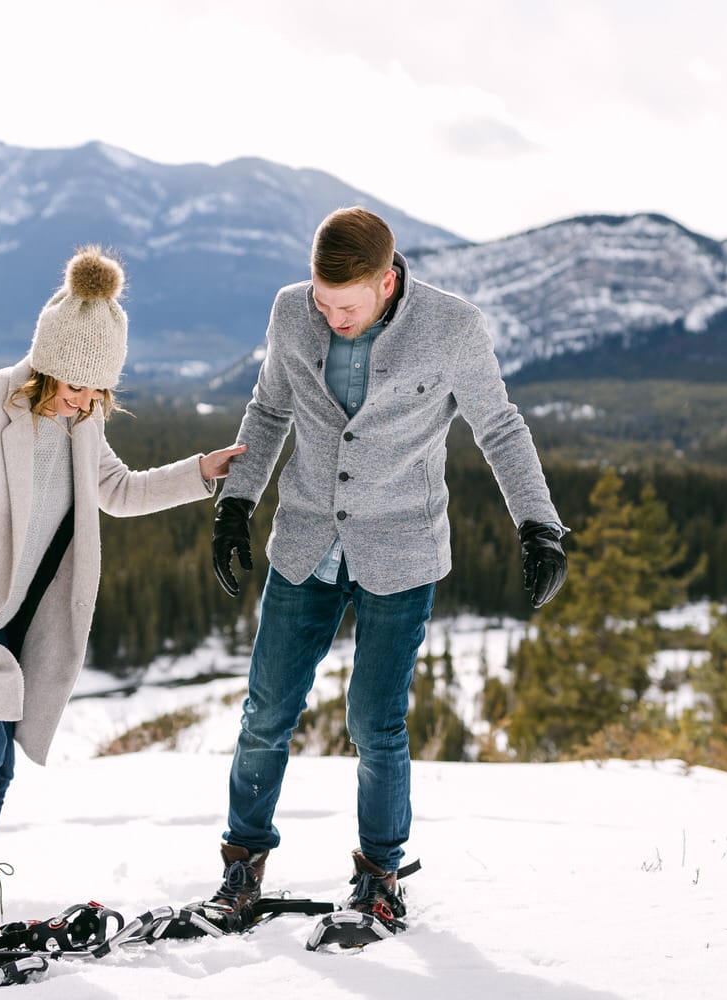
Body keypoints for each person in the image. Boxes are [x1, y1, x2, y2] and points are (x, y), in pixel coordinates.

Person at [0, 246, 245, 988]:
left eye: (100, 392)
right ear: (43, 366)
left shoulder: (80, 425)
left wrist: (201, 473)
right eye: (76, 387)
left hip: (2, 633)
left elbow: (120, 492)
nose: (86, 402)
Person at [202, 207, 568, 939]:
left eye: (348, 304)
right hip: (306, 539)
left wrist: (538, 522)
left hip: (401, 549)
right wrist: (237, 501)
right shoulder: (290, 311)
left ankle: (379, 878)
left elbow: (499, 426)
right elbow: (270, 407)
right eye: (320, 299)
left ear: (387, 280)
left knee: (376, 721)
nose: (330, 315)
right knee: (267, 710)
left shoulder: (452, 327)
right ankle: (242, 864)